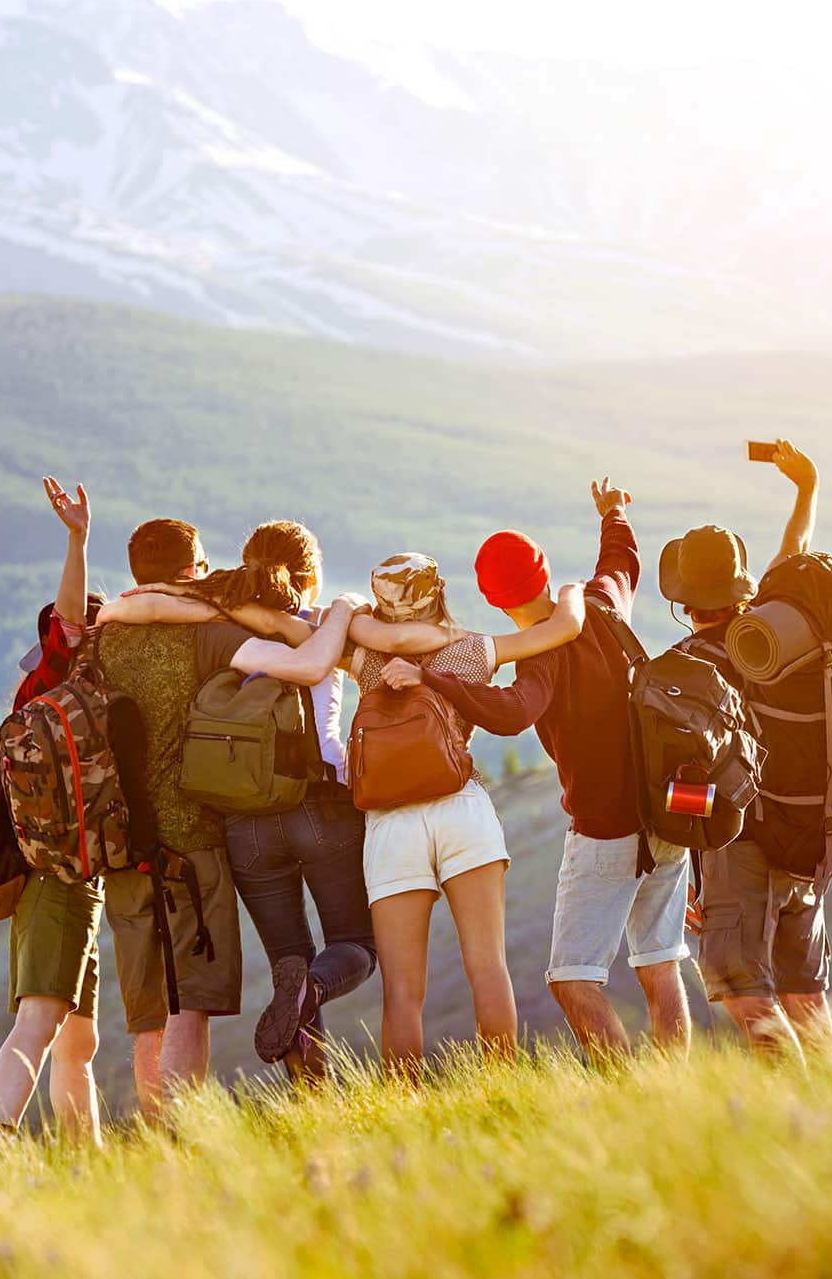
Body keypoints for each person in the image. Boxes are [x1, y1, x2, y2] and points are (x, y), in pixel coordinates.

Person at [109, 543, 587, 1081]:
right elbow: (562, 628)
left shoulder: (364, 657)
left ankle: (401, 1096)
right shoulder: (472, 650)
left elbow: (269, 622)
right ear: (439, 594)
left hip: (390, 824)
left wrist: (135, 603)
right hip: (461, 810)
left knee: (403, 991)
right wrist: (571, 592)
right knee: (487, 967)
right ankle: (503, 1087)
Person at [388, 479, 691, 1064]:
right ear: (545, 572)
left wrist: (434, 679)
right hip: (666, 815)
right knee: (659, 963)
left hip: (606, 830)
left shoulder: (541, 653)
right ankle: (671, 1092)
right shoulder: (600, 604)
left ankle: (629, 1092)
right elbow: (621, 563)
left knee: (573, 981)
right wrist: (614, 513)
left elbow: (511, 713)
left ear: (496, 600)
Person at [92, 516, 362, 1119]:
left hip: (121, 844)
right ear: (193, 572)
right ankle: (187, 1137)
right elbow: (312, 666)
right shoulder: (210, 635)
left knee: (149, 1013)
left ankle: (162, 1148)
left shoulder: (102, 635)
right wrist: (342, 609)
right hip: (196, 842)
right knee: (192, 1001)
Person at [655, 439, 832, 1062]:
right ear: (742, 587)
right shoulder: (778, 628)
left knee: (739, 985)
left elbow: (675, 783)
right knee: (805, 991)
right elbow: (795, 551)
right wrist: (805, 489)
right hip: (807, 830)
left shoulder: (680, 673)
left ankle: (802, 1114)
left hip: (743, 846)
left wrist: (690, 878)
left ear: (682, 601)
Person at [0, 476, 105, 1143]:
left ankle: (89, 1160)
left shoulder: (35, 693)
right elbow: (72, 620)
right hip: (61, 874)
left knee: (76, 1039)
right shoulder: (61, 675)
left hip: (57, 867)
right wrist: (78, 538)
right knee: (39, 1021)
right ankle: (0, 1136)